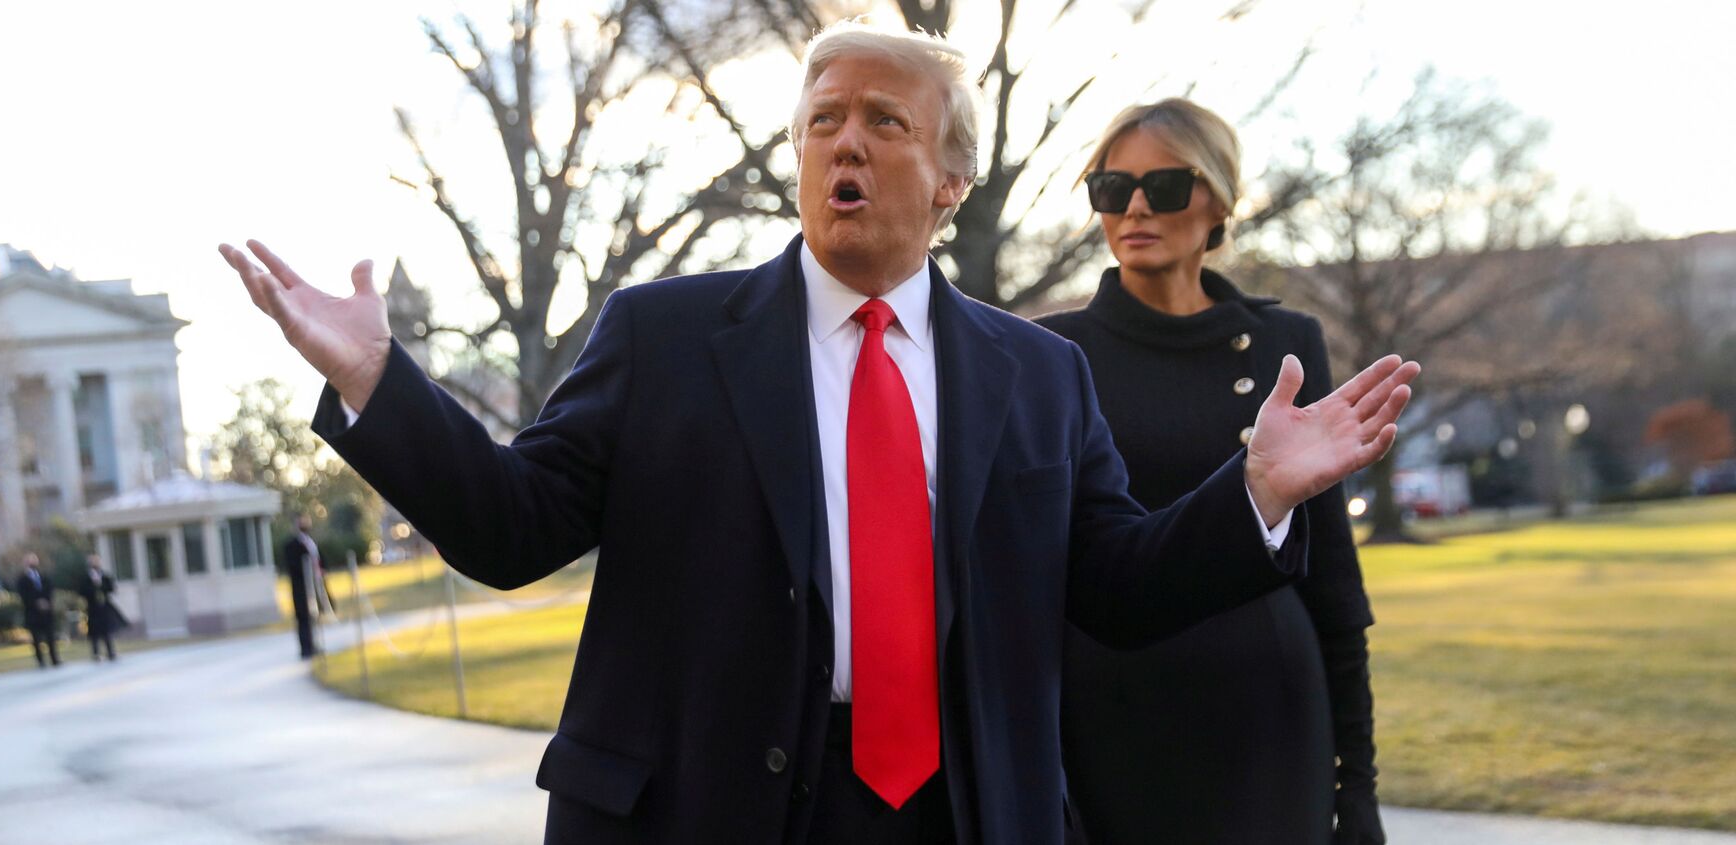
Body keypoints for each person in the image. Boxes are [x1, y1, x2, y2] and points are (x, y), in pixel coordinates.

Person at [219, 21, 1417, 843]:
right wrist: (383, 381)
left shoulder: (1038, 373)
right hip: (712, 807)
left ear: (950, 181)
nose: (846, 142)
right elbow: (510, 525)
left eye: (886, 121)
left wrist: (1253, 492)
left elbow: (1113, 583)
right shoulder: (665, 337)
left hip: (962, 810)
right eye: (823, 119)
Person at [1037, 98, 1386, 844]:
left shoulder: (1285, 344)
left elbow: (1331, 580)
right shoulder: (1050, 354)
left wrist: (1356, 785)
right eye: (1110, 187)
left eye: (1162, 186)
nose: (1133, 206)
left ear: (1219, 199)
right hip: (1113, 719)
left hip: (1270, 714)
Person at [281, 514, 321, 659]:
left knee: (313, 616)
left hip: (314, 587)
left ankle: (314, 644)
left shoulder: (311, 542)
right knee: (303, 618)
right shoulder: (291, 545)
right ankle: (306, 648)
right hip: (300, 589)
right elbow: (294, 566)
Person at [14, 553, 60, 668]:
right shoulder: (22, 580)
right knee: (36, 638)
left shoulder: (44, 577)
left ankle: (55, 659)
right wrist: (37, 602)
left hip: (46, 613)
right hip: (33, 613)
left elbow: (50, 590)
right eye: (29, 561)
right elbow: (23, 595)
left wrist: (46, 602)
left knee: (50, 636)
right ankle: (41, 661)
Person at [78, 554, 123, 661]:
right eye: (93, 561)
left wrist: (100, 585)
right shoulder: (86, 578)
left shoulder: (104, 576)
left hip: (104, 607)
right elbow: (82, 591)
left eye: (97, 561)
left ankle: (110, 652)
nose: (95, 563)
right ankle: (96, 653)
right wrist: (93, 587)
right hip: (93, 607)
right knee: (94, 631)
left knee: (107, 630)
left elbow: (111, 588)